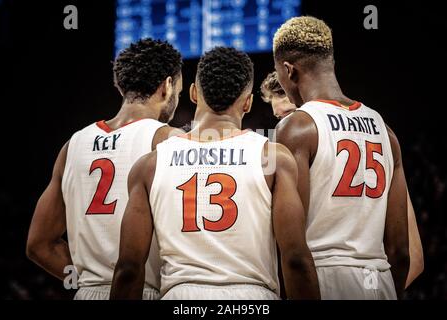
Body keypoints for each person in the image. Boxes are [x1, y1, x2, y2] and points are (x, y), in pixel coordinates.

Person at [110, 47, 320, 300]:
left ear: (194, 93)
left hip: (180, 296)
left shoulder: (150, 165)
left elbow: (129, 268)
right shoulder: (273, 158)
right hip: (252, 297)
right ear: (248, 102)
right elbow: (295, 257)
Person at [26, 38, 184, 300]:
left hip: (87, 293)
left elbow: (38, 245)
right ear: (167, 86)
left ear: (119, 86)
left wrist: (87, 281)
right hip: (143, 292)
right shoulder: (168, 139)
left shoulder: (73, 144)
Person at [273, 16, 414, 299]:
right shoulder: (384, 130)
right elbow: (400, 251)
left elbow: (293, 252)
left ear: (289, 71)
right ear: (331, 64)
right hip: (380, 279)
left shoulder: (296, 127)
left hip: (322, 279)